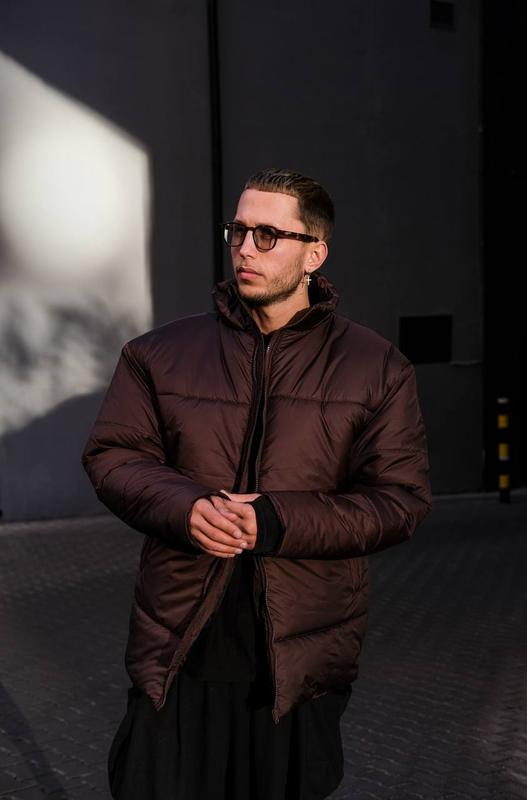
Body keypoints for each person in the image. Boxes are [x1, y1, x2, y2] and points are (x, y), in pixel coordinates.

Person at [82, 168, 431, 800]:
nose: (245, 248)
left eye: (268, 235)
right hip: (179, 651)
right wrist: (186, 507)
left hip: (296, 663)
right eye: (238, 231)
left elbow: (399, 500)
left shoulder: (376, 365)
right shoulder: (157, 354)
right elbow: (114, 456)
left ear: (314, 253)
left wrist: (275, 520)